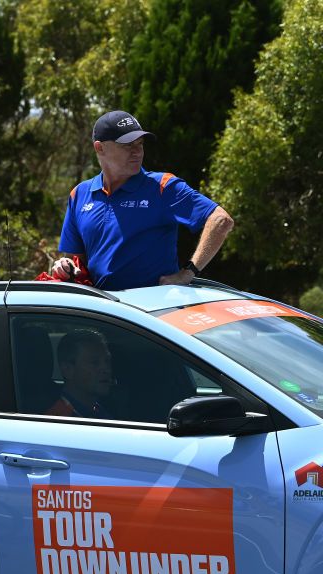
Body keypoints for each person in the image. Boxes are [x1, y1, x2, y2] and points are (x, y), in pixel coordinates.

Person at [51, 110, 235, 290]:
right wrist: (66, 267)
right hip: (104, 314)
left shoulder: (163, 186)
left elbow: (221, 219)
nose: (137, 151)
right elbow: (77, 264)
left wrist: (188, 272)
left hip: (152, 312)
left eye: (140, 143)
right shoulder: (79, 194)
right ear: (100, 148)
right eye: (127, 145)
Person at [46, 329, 114, 419]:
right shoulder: (59, 421)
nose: (106, 369)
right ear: (67, 370)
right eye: (94, 362)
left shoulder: (96, 410)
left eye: (107, 361)